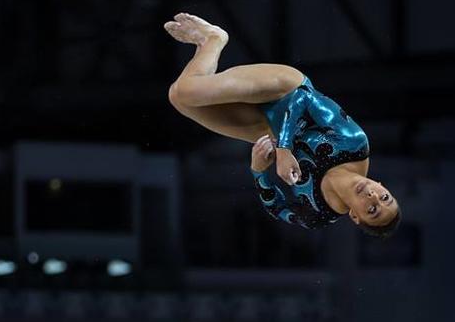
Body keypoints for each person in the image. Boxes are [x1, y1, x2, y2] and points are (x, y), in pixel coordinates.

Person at [165, 13, 401, 236]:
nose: (373, 196)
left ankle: (205, 44)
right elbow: (305, 97)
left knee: (178, 98)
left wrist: (259, 171)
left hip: (265, 128)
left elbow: (277, 207)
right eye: (385, 197)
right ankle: (215, 39)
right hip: (285, 90)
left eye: (372, 210)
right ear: (383, 186)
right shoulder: (354, 144)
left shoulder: (318, 215)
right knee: (188, 91)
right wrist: (285, 149)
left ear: (355, 217)